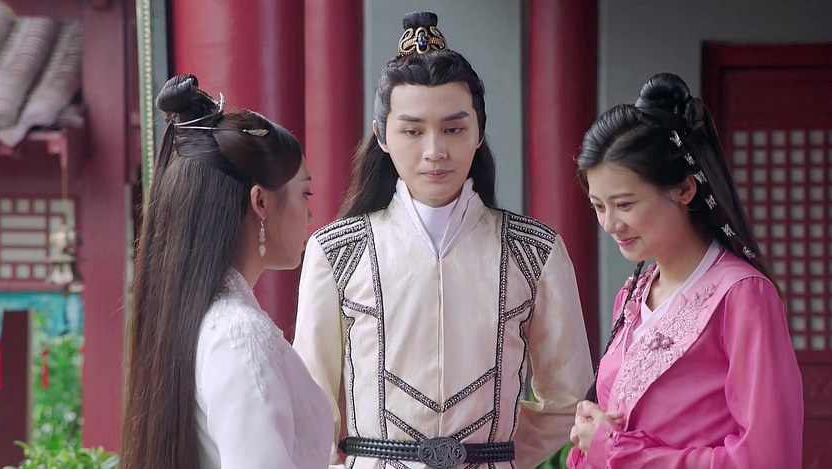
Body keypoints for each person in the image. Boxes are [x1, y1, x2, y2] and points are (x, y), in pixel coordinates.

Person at [292, 11, 593, 469]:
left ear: (479, 132)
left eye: (453, 129)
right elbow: (311, 403)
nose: (435, 151)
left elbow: (567, 398)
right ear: (382, 136)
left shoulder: (534, 251)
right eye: (412, 131)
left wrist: (494, 454)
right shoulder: (337, 251)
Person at [567, 72, 803, 468]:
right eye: (598, 206)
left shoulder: (741, 294)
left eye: (624, 204)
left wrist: (618, 451)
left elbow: (767, 457)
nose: (610, 224)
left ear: (684, 189)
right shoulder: (633, 295)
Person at [120, 74, 332, 469]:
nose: (310, 214)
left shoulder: (202, 320)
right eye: (305, 193)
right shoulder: (239, 334)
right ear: (260, 202)